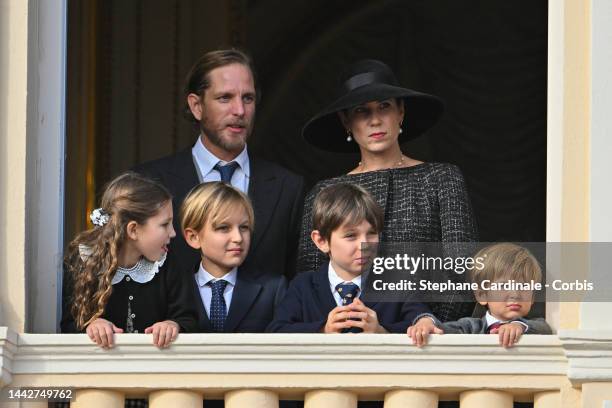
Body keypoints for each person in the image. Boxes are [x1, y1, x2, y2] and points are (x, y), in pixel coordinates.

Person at [299, 59, 478, 323]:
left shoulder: (441, 178)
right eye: (362, 111)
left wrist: (426, 328)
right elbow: (310, 280)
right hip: (343, 347)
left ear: (401, 112)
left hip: (428, 343)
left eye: (384, 106)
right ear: (346, 121)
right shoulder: (324, 192)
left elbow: (461, 271)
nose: (375, 120)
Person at [134, 49, 304, 280]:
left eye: (248, 98)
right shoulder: (148, 183)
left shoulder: (288, 187)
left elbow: (300, 280)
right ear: (196, 106)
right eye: (225, 98)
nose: (240, 111)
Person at [267, 183, 430, 333]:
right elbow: (276, 330)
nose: (364, 245)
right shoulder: (303, 286)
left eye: (372, 233)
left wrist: (381, 331)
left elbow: (421, 319)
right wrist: (323, 330)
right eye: (351, 235)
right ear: (321, 241)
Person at [61, 172, 198, 348]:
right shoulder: (85, 263)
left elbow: (189, 317)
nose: (173, 233)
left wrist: (173, 325)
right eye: (165, 224)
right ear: (133, 230)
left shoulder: (168, 264)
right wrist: (91, 325)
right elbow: (69, 323)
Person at [181, 181, 286, 332]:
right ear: (193, 237)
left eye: (244, 227)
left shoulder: (272, 289)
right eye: (223, 228)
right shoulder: (174, 290)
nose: (238, 238)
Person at [407, 242, 552, 348]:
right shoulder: (470, 327)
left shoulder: (534, 326)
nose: (515, 294)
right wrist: (426, 322)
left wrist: (518, 326)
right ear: (482, 295)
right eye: (504, 286)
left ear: (532, 297)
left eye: (524, 286)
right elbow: (442, 329)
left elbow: (545, 328)